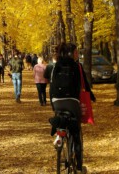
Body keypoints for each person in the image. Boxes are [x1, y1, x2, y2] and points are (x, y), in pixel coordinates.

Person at [45, 42, 95, 174]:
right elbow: (82, 84)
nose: (77, 54)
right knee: (76, 132)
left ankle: (59, 133)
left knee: (62, 119)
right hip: (72, 101)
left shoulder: (55, 67)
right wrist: (90, 97)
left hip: (56, 101)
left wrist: (53, 105)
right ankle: (78, 168)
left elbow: (51, 86)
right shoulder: (76, 66)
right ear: (71, 53)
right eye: (76, 52)